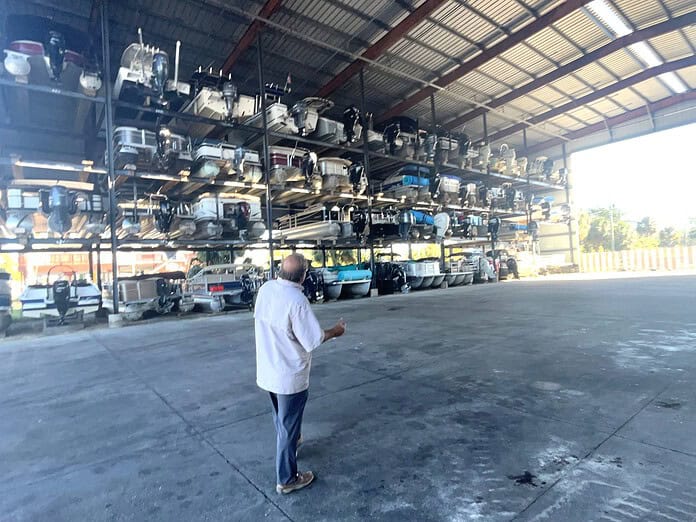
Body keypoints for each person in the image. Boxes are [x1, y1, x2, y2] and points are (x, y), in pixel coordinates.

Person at [254, 253, 346, 494]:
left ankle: (292, 442)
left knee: (282, 420)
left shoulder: (266, 289)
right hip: (289, 375)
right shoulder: (297, 300)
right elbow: (313, 340)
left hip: (268, 370)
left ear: (281, 270)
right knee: (287, 426)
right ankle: (287, 479)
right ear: (304, 275)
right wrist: (336, 330)